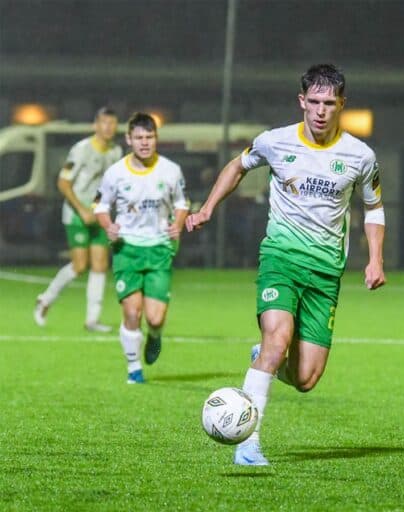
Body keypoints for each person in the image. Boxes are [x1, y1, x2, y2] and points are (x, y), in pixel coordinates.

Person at [185, 64, 386, 466]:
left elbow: (374, 207)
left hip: (326, 272)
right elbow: (237, 167)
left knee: (307, 379)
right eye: (314, 102)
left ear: (341, 104)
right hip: (281, 258)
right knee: (278, 342)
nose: (321, 111)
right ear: (302, 102)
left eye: (330, 103)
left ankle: (265, 358)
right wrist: (208, 207)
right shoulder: (275, 141)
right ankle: (248, 442)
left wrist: (375, 259)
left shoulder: (360, 155)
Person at [94, 112, 189, 384]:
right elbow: (100, 205)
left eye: (149, 137)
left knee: (155, 319)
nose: (144, 143)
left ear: (156, 138)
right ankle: (134, 369)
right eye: (139, 138)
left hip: (160, 248)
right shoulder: (115, 173)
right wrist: (108, 225)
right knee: (132, 312)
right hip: (127, 249)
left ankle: (155, 337)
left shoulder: (170, 170)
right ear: (128, 139)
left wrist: (178, 223)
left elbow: (182, 203)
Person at [34, 107, 123, 331]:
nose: (108, 127)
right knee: (79, 265)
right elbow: (63, 183)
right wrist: (83, 210)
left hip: (99, 214)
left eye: (112, 123)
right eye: (104, 123)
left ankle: (92, 320)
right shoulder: (81, 150)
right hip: (76, 214)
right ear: (96, 125)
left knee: (101, 265)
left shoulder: (116, 151)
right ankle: (46, 299)